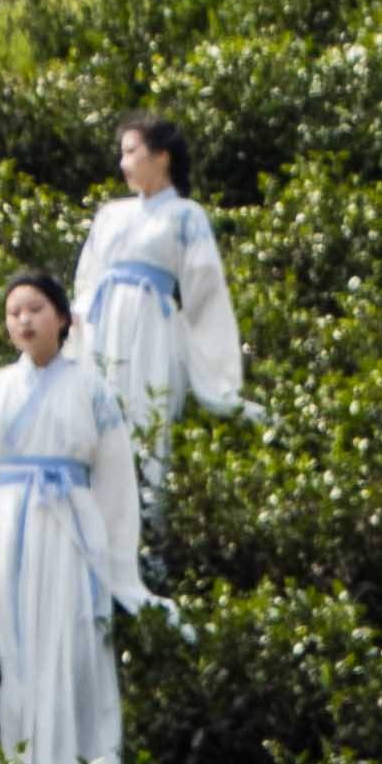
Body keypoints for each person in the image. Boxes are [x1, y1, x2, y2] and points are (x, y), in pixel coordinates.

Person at [0, 268, 158, 764]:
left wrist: (109, 549)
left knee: (72, 636)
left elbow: (115, 477)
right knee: (18, 642)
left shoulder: (92, 388)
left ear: (62, 318)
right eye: (14, 312)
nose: (24, 320)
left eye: (35, 308)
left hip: (69, 527)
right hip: (8, 526)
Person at [76, 114, 247, 533]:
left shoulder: (186, 216)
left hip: (152, 325)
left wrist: (215, 370)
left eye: (131, 152)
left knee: (146, 419)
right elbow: (85, 280)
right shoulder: (110, 214)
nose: (124, 164)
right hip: (103, 324)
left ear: (162, 157)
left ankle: (147, 534)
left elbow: (205, 294)